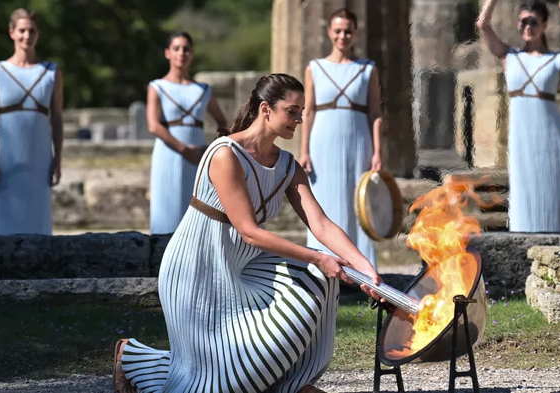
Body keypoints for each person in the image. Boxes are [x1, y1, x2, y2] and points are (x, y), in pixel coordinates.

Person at [113, 74, 380, 393]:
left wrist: (365, 269)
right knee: (215, 380)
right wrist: (319, 257)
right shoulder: (226, 154)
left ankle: (286, 386)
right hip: (197, 270)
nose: (298, 119)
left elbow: (319, 223)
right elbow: (249, 231)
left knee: (316, 280)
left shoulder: (287, 165)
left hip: (244, 269)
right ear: (266, 109)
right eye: (292, 111)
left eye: (302, 112)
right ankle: (133, 358)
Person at [477, 0, 560, 234]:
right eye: (522, 22)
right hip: (522, 138)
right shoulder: (508, 56)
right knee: (524, 190)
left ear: (544, 25)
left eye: (533, 22)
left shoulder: (557, 60)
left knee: (558, 188)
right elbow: (483, 25)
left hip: (553, 137)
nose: (527, 27)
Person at [299, 8, 383, 265]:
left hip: (359, 140)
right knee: (323, 200)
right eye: (338, 31)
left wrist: (378, 152)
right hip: (322, 140)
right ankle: (324, 264)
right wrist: (304, 151)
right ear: (329, 33)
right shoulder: (315, 68)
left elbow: (376, 113)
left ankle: (362, 267)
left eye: (348, 31)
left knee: (359, 203)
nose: (342, 36)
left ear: (355, 34)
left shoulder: (367, 69)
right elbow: (308, 111)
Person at [0, 8, 63, 235]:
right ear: (11, 33)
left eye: (32, 31)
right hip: (7, 157)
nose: (27, 36)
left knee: (37, 214)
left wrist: (58, 159)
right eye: (22, 30)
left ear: (38, 34)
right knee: (4, 216)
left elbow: (56, 119)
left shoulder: (51, 72)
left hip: (39, 155)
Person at [147, 32, 229, 234]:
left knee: (195, 208)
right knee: (167, 209)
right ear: (167, 53)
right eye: (176, 48)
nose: (181, 53)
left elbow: (222, 123)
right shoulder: (157, 86)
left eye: (186, 49)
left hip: (198, 156)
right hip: (169, 153)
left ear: (192, 54)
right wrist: (184, 149)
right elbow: (154, 125)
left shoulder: (203, 89)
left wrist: (211, 152)